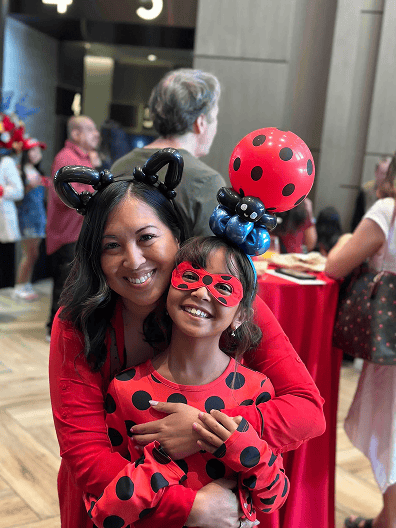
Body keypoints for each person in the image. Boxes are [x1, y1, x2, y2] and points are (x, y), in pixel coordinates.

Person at [49, 152, 325, 528]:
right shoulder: (78, 321)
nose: (133, 260)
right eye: (111, 246)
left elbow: (307, 410)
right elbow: (85, 453)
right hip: (117, 499)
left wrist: (202, 429)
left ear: (176, 236)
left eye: (147, 237)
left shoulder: (219, 300)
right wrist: (189, 507)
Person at [84, 236, 290, 528]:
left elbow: (272, 497)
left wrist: (234, 443)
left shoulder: (255, 390)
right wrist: (163, 461)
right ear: (168, 291)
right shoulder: (126, 390)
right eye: (191, 277)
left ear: (241, 314)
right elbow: (104, 512)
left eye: (223, 287)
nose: (203, 292)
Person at [325, 152, 396, 528]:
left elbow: (334, 265)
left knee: (391, 434)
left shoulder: (388, 208)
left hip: (391, 348)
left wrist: (348, 237)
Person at [111, 68, 226, 237]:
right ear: (200, 122)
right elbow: (212, 259)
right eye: (215, 117)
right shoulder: (207, 182)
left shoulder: (119, 166)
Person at [46, 115, 100, 339]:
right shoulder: (66, 157)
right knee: (65, 283)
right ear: (76, 134)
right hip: (67, 233)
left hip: (78, 232)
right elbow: (64, 197)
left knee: (74, 283)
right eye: (90, 130)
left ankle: (64, 328)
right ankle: (54, 330)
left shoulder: (85, 158)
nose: (96, 134)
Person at [13, 139, 48, 301]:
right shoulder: (20, 170)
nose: (36, 154)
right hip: (27, 217)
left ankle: (25, 284)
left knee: (33, 254)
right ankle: (19, 287)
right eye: (32, 151)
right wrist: (28, 187)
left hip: (38, 217)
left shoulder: (35, 171)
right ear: (26, 153)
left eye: (38, 151)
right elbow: (16, 197)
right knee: (29, 254)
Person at [0, 152, 24, 288]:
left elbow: (18, 190)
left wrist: (2, 191)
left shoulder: (6, 162)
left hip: (4, 219)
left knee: (5, 261)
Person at [350, 156, 392, 232]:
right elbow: (357, 218)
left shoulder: (393, 192)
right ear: (376, 173)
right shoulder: (366, 190)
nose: (385, 177)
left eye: (388, 174)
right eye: (383, 173)